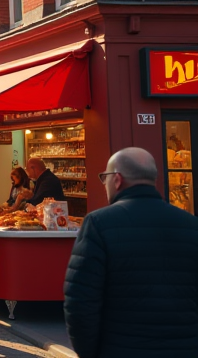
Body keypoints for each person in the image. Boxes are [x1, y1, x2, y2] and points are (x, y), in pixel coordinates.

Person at [64, 147, 198, 358]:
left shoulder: (98, 224)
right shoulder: (191, 225)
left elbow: (81, 302)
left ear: (117, 179)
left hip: (119, 348)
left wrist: (90, 352)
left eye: (104, 177)